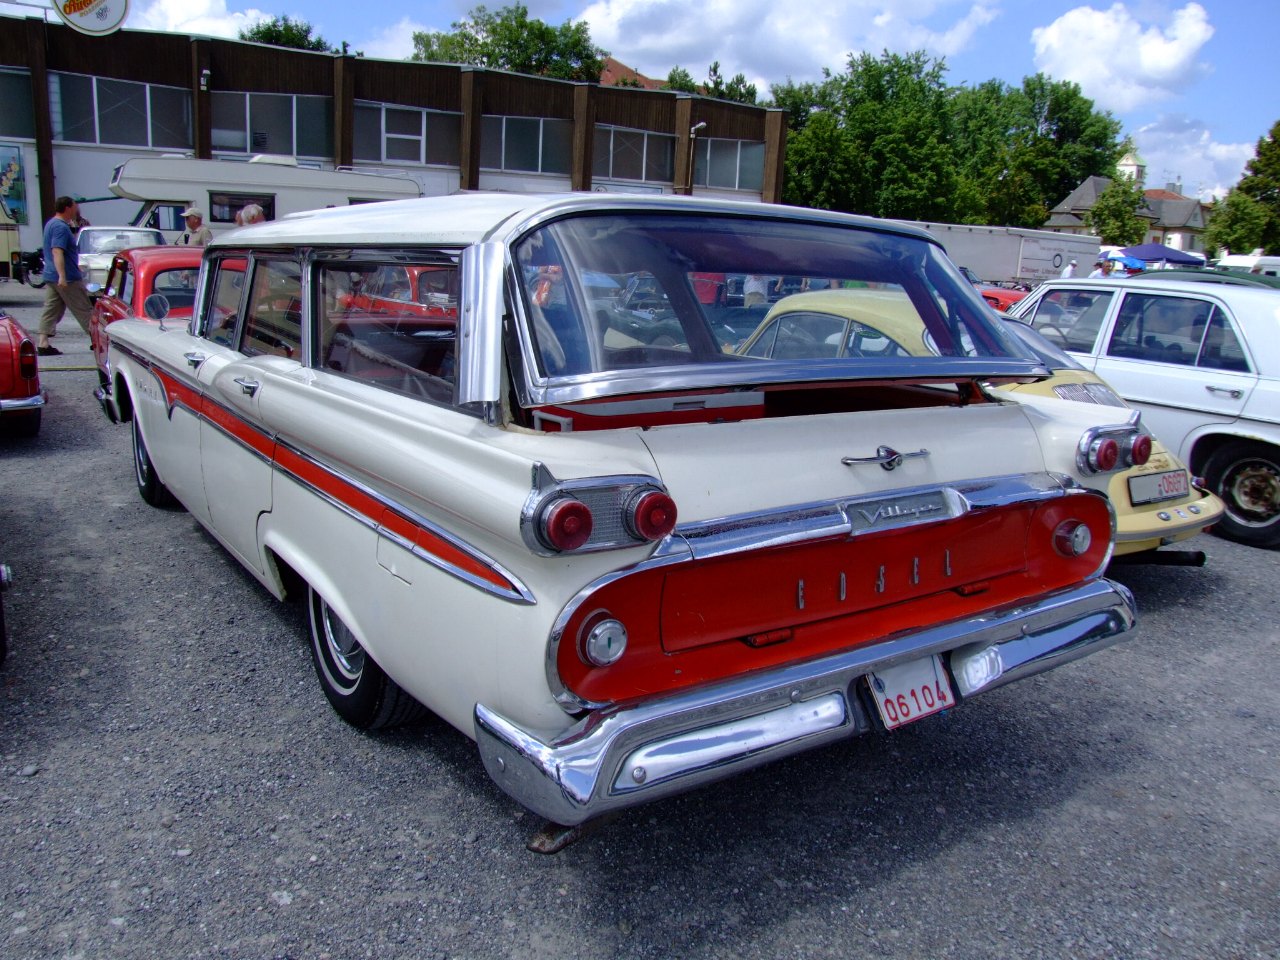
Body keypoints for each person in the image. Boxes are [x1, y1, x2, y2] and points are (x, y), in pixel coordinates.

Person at [35, 196, 94, 356]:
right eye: (75, 207)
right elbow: (57, 250)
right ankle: (98, 340)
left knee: (52, 308)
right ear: (68, 208)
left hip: (51, 275)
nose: (77, 210)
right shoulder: (60, 227)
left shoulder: (51, 223)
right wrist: (62, 275)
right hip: (66, 278)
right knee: (83, 309)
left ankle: (43, 343)